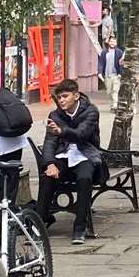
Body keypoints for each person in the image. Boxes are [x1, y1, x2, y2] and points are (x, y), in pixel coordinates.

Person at [39, 78, 102, 245]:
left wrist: (61, 131)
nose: (61, 101)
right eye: (59, 98)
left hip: (85, 154)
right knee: (47, 176)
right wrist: (49, 164)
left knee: (84, 178)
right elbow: (49, 142)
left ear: (76, 96)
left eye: (65, 96)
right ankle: (39, 223)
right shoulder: (55, 115)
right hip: (63, 156)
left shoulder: (91, 111)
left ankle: (80, 227)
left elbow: (82, 134)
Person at [98, 35, 125, 108]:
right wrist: (100, 72)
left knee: (115, 90)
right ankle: (113, 103)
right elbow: (101, 63)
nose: (112, 43)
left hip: (116, 75)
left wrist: (120, 73)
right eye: (111, 41)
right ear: (109, 42)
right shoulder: (104, 52)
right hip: (107, 75)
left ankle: (115, 104)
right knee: (109, 92)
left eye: (114, 41)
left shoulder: (119, 52)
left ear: (116, 43)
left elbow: (122, 64)